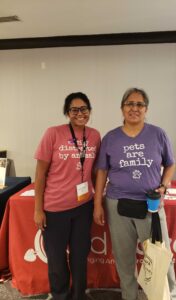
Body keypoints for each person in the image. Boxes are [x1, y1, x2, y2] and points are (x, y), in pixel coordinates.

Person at [93, 88, 176, 300]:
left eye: (139, 104)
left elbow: (170, 164)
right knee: (124, 259)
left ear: (146, 109)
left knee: (159, 256)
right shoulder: (111, 138)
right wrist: (97, 204)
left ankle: (169, 296)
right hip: (117, 204)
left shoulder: (158, 134)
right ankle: (129, 296)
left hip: (150, 205)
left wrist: (164, 185)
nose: (134, 108)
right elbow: (102, 171)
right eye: (129, 104)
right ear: (122, 108)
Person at [34, 92, 101, 300]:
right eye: (74, 109)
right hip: (55, 209)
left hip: (83, 207)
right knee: (56, 259)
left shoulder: (95, 135)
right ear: (67, 113)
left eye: (84, 109)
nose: (80, 113)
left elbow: (94, 171)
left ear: (89, 111)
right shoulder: (53, 133)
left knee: (80, 257)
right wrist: (38, 209)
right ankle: (60, 295)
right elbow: (40, 174)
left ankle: (79, 295)